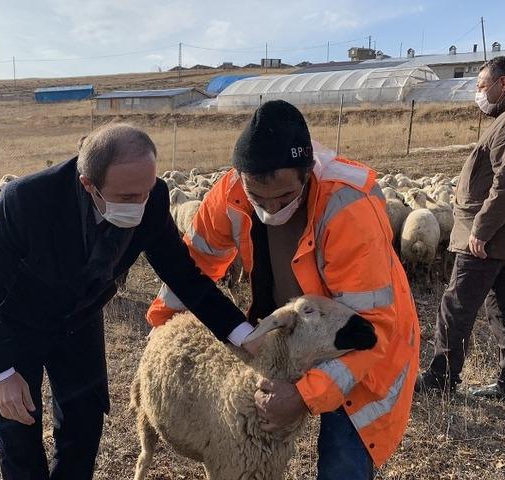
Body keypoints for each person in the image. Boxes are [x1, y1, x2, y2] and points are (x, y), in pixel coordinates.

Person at [0, 123, 259, 479]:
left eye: (145, 191)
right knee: (19, 430)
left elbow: (185, 277)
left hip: (79, 320)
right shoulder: (27, 202)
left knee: (84, 427)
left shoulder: (153, 198)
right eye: (127, 198)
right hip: (15, 324)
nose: (140, 204)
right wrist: (2, 373)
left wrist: (243, 334)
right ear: (89, 185)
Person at [147, 100, 420, 479]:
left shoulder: (347, 206)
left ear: (307, 174)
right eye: (258, 198)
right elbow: (194, 266)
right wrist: (161, 324)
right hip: (292, 333)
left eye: (284, 198)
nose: (270, 209)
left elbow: (373, 330)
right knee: (254, 442)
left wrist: (305, 396)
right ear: (240, 176)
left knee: (343, 462)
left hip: (354, 342)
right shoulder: (229, 195)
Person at [414, 56, 505, 411]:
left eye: (481, 86)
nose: (478, 94)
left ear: (503, 84)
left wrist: (481, 229)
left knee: (456, 306)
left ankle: (441, 378)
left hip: (491, 238)